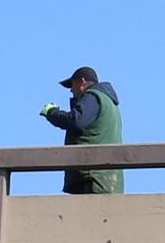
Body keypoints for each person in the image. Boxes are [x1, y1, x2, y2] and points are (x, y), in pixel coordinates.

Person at [41, 65, 126, 194]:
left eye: (72, 86)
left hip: (91, 179)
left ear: (82, 82)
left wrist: (52, 113)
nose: (71, 91)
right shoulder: (109, 103)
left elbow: (75, 120)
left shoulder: (93, 97)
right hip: (107, 181)